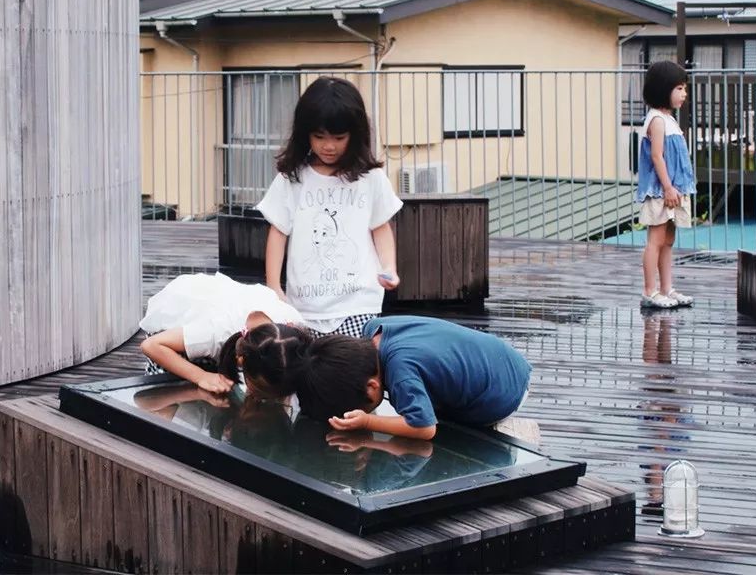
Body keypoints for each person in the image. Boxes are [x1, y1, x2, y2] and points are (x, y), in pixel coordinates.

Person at [256, 76, 403, 338]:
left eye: (339, 137)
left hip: (359, 304)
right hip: (304, 307)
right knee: (308, 363)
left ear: (355, 135)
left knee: (354, 362)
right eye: (319, 136)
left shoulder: (370, 178)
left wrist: (389, 267)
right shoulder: (293, 179)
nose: (328, 146)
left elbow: (380, 227)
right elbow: (278, 231)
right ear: (305, 134)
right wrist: (274, 287)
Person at [253, 315, 532, 441]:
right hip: (502, 358)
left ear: (372, 386)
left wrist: (368, 423)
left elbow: (425, 428)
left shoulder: (401, 372)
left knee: (427, 422)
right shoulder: (373, 331)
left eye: (361, 406)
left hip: (502, 394)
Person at [139, 272, 302, 392]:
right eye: (257, 390)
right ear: (241, 360)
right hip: (172, 323)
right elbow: (151, 346)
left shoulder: (295, 327)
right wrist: (200, 376)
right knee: (177, 390)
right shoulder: (217, 331)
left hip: (220, 305)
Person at [636, 61, 697, 309]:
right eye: (679, 88)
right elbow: (657, 156)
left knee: (668, 240)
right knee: (656, 240)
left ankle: (666, 288)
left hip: (674, 189)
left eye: (685, 88)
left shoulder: (668, 119)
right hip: (661, 190)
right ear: (663, 89)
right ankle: (650, 290)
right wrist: (668, 187)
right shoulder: (657, 120)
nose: (684, 94)